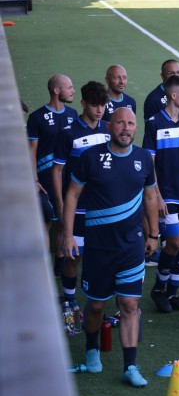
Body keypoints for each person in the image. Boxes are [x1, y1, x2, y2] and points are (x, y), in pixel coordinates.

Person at [61, 108, 158, 387]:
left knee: (129, 303)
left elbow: (151, 197)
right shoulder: (91, 157)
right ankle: (92, 352)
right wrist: (68, 235)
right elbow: (73, 194)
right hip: (99, 248)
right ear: (109, 126)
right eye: (120, 123)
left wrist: (153, 235)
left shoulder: (143, 159)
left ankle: (130, 366)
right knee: (95, 306)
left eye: (130, 123)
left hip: (132, 246)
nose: (126, 128)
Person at [52, 81, 110, 317]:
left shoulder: (108, 129)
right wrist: (60, 202)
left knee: (98, 258)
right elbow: (57, 171)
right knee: (73, 256)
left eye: (103, 105)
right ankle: (69, 300)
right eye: (95, 105)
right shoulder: (69, 134)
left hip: (101, 208)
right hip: (76, 208)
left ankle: (95, 305)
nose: (99, 110)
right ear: (84, 103)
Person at [144, 75, 179, 314]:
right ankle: (158, 290)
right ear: (174, 96)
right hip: (167, 195)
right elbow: (150, 162)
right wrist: (157, 195)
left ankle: (173, 293)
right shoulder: (155, 122)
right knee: (174, 242)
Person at [26, 74, 78, 273]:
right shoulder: (37, 118)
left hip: (68, 178)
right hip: (45, 178)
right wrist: (33, 179)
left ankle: (60, 264)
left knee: (65, 220)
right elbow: (31, 149)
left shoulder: (73, 114)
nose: (73, 91)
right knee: (48, 220)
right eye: (69, 87)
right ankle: (42, 265)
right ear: (57, 91)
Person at [143, 59, 179, 124]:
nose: (176, 76)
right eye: (171, 73)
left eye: (178, 72)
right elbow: (150, 128)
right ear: (162, 76)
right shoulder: (153, 99)